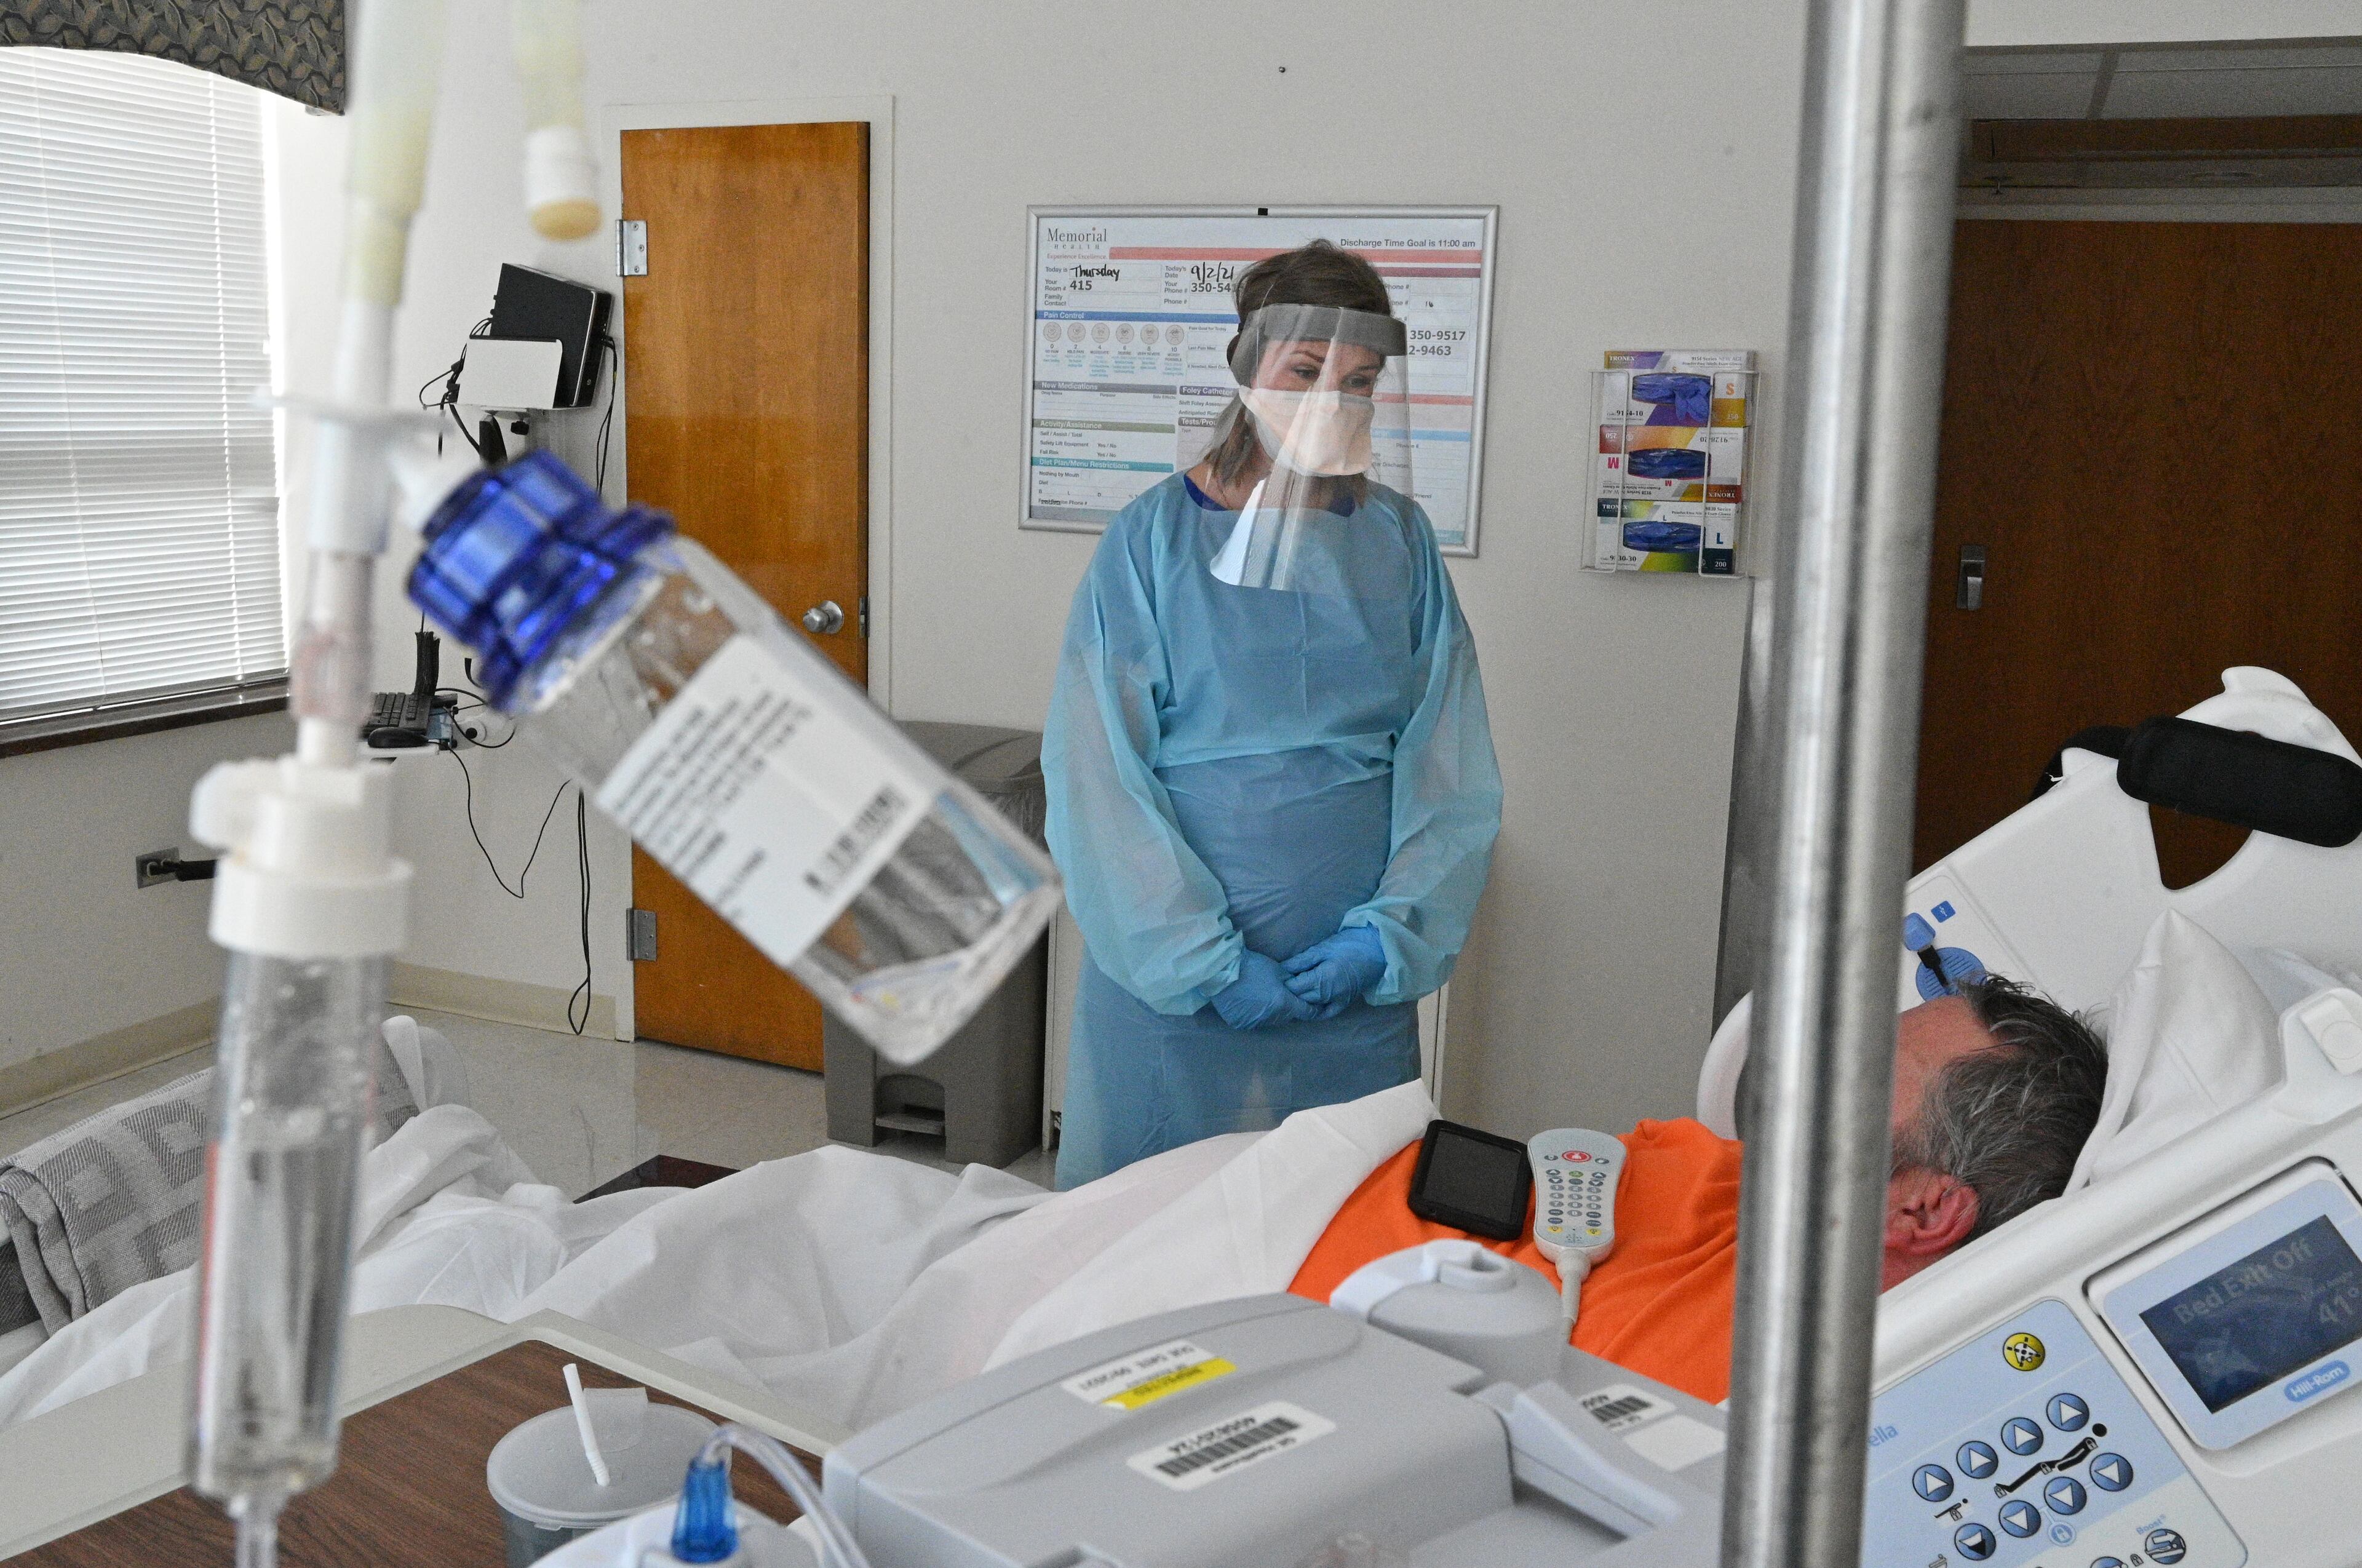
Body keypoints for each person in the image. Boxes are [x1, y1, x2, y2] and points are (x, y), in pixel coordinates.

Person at [1043, 241, 1502, 1189]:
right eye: (1306, 371)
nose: (1333, 401)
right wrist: (1200, 961)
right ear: (1250, 367)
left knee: (1337, 1237)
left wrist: (1388, 935)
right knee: (1148, 1236)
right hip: (1175, 999)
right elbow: (1100, 777)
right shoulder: (1150, 542)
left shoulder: (1399, 542)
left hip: (1355, 997)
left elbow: (1446, 763)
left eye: (1361, 381)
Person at [1289, 976, 2112, 1401]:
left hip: (1257, 1315)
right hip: (1297, 1187)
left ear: (1923, 1208)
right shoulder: (1740, 1172)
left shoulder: (1745, 1390)